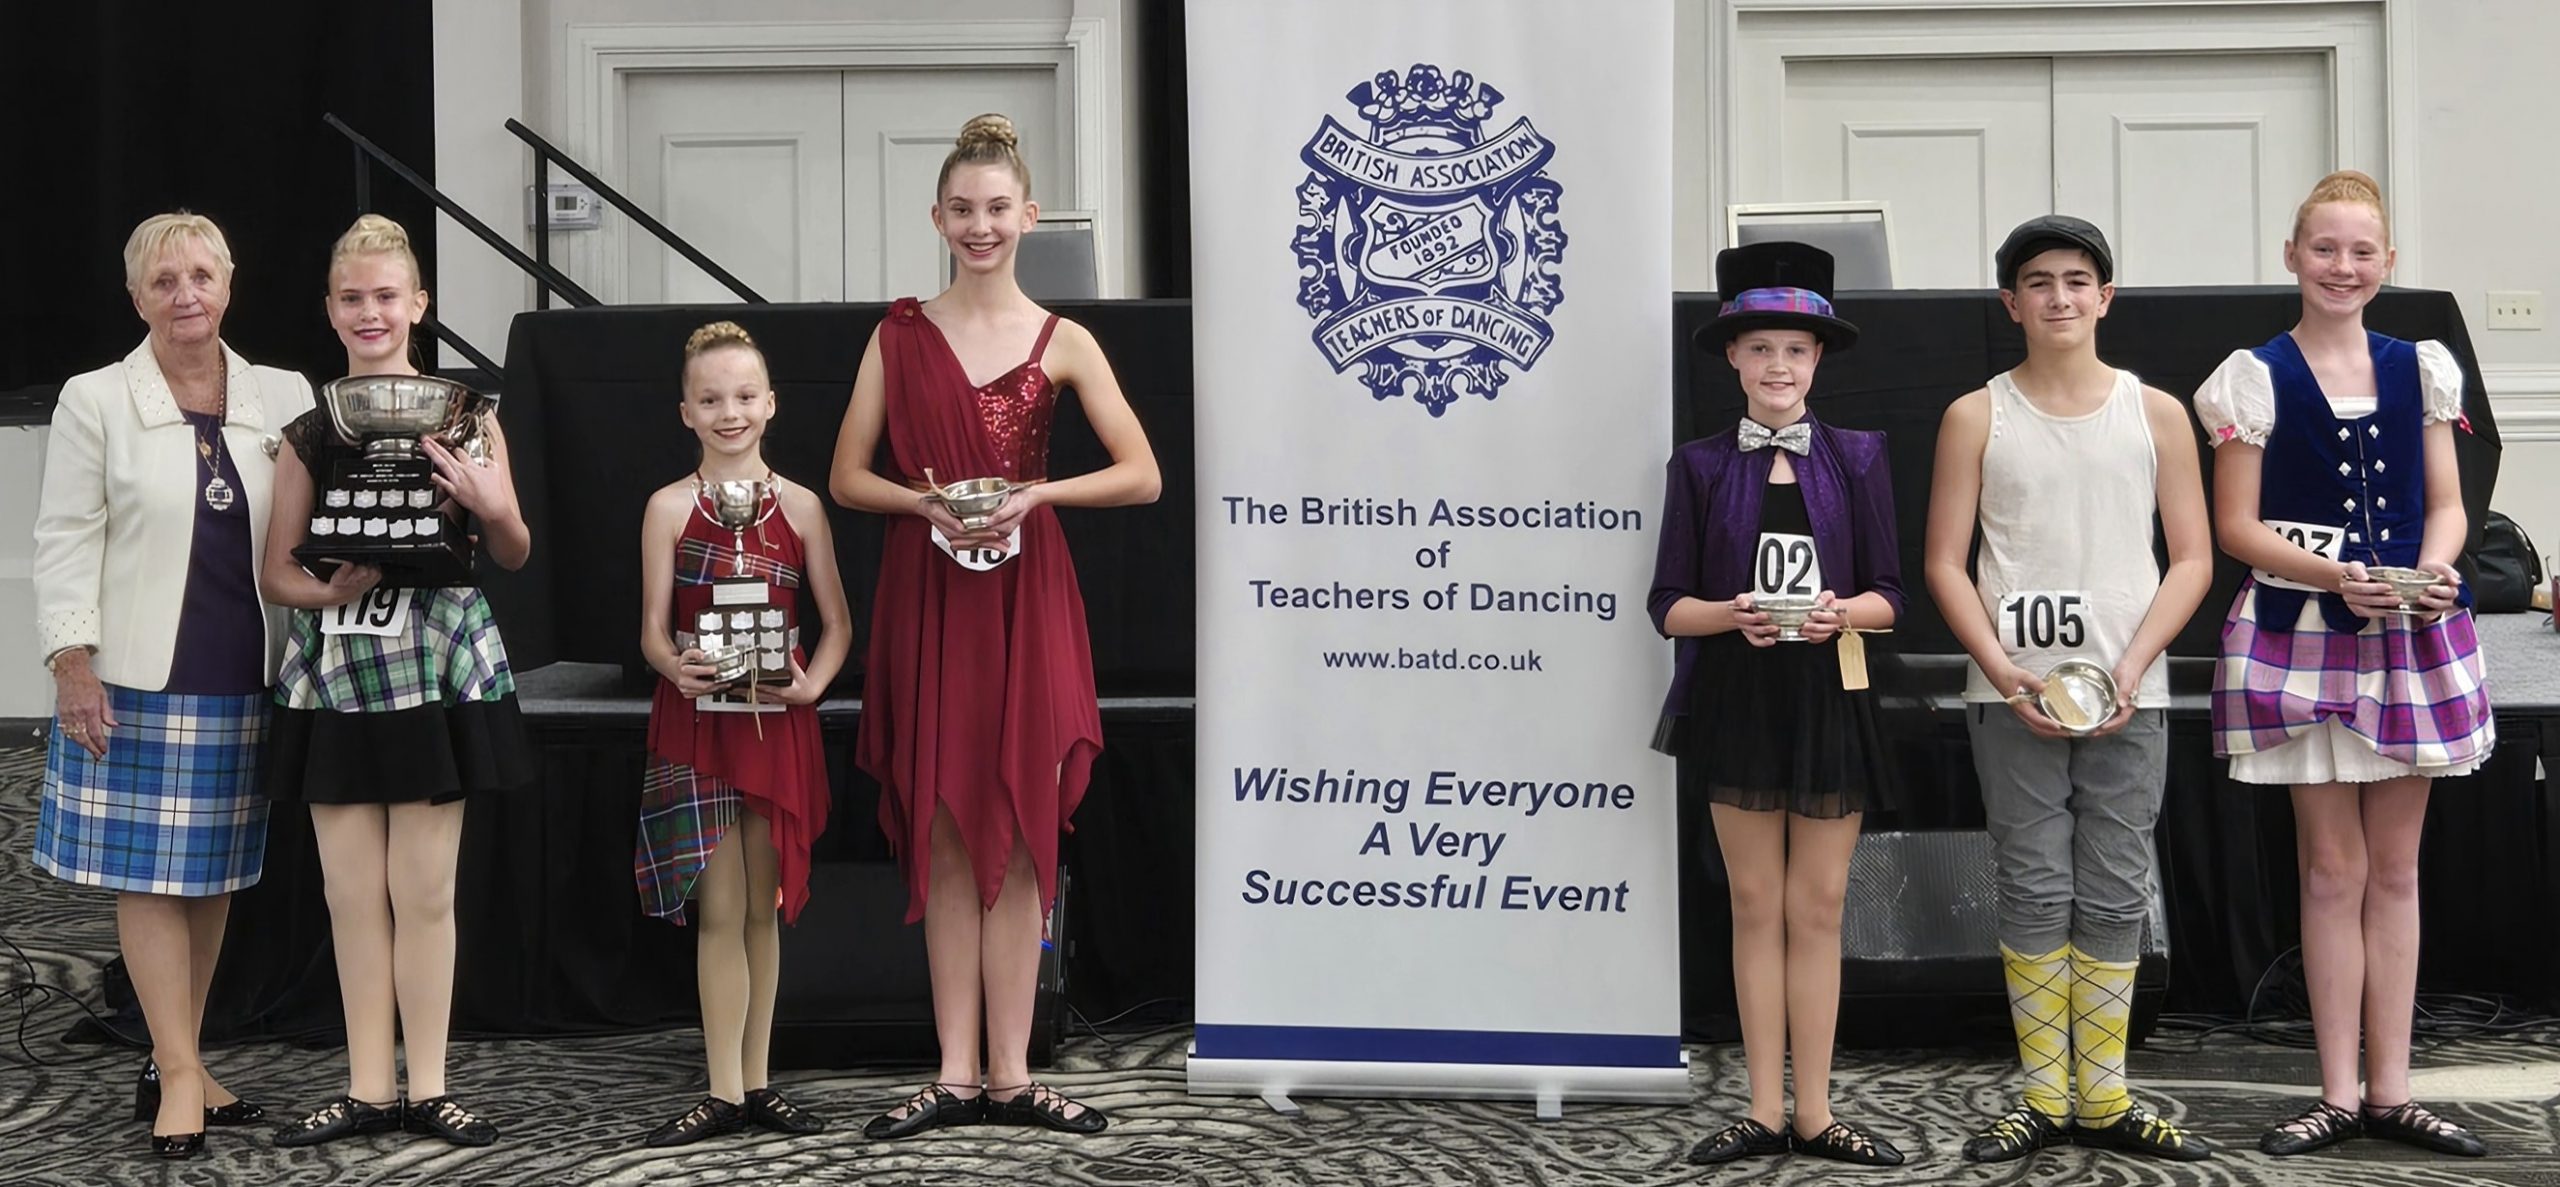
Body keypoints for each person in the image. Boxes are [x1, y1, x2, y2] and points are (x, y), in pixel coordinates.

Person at [829, 112, 1160, 1140]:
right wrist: (922, 505)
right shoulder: (896, 336)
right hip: (929, 595)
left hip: (1027, 597)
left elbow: (1143, 474)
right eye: (963, 210)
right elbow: (845, 476)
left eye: (997, 209)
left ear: (1031, 216)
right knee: (942, 823)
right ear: (937, 217)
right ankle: (954, 1071)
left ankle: (1012, 1075)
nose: (980, 226)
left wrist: (1039, 492)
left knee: (1019, 827)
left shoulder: (1065, 340)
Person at [2194, 170, 2493, 1159]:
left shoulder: (2421, 369)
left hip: (2406, 629)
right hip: (2301, 632)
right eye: (2324, 247)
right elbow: (2236, 526)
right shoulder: (2253, 374)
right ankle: (2333, 1091)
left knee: (2396, 868)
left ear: (2387, 262)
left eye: (2361, 250)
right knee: (2331, 868)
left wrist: (2433, 569)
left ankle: (2392, 1090)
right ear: (2292, 255)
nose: (2342, 265)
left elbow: (2447, 503)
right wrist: (2335, 576)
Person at [1923, 216, 2215, 1163]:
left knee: (2117, 883)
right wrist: (2000, 667)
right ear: (2010, 303)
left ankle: (2107, 1095)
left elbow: (2193, 557)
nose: (2060, 296)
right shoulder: (1976, 415)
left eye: (2078, 279)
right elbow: (1945, 561)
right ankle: (2046, 1093)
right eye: (2040, 281)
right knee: (2033, 878)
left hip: (2133, 691)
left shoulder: (2156, 413)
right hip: (2011, 693)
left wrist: (2132, 666)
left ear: (2106, 297)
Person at [32, 211, 314, 1159]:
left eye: (201, 275)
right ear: (135, 297)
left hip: (248, 667)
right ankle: (183, 1072)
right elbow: (64, 537)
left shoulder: (285, 393)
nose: (186, 294)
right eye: (164, 281)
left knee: (214, 874)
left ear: (229, 284)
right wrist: (71, 660)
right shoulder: (95, 398)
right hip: (135, 674)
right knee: (150, 878)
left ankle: (176, 1057)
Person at [261, 214, 536, 1149]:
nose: (369, 312)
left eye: (386, 295)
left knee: (424, 890)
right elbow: (276, 573)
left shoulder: (470, 416)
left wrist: (493, 505)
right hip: (337, 669)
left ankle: (433, 1086)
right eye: (352, 298)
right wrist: (326, 590)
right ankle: (368, 1087)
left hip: (435, 661)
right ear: (330, 310)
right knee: (349, 893)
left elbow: (514, 548)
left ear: (419, 303)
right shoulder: (309, 429)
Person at [1648, 241, 1906, 1168]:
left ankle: (1817, 1111)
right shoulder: (1698, 465)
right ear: (1732, 357)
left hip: (1830, 692)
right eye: (1759, 348)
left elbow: (1891, 595)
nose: (1778, 366)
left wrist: (1843, 611)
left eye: (1795, 349)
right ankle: (1763, 1107)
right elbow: (1666, 605)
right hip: (1739, 696)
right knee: (1755, 901)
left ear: (1819, 358)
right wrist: (1734, 614)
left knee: (1820, 904)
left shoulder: (1860, 457)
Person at [634, 320, 851, 1147]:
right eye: (711, 398)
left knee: (765, 905)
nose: (730, 412)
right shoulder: (666, 507)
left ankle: (757, 1083)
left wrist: (813, 685)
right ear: (685, 412)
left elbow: (837, 624)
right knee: (721, 909)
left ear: (771, 404)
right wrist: (673, 666)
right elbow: (652, 632)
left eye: (744, 396)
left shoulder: (802, 506)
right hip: (696, 723)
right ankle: (723, 1089)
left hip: (775, 724)